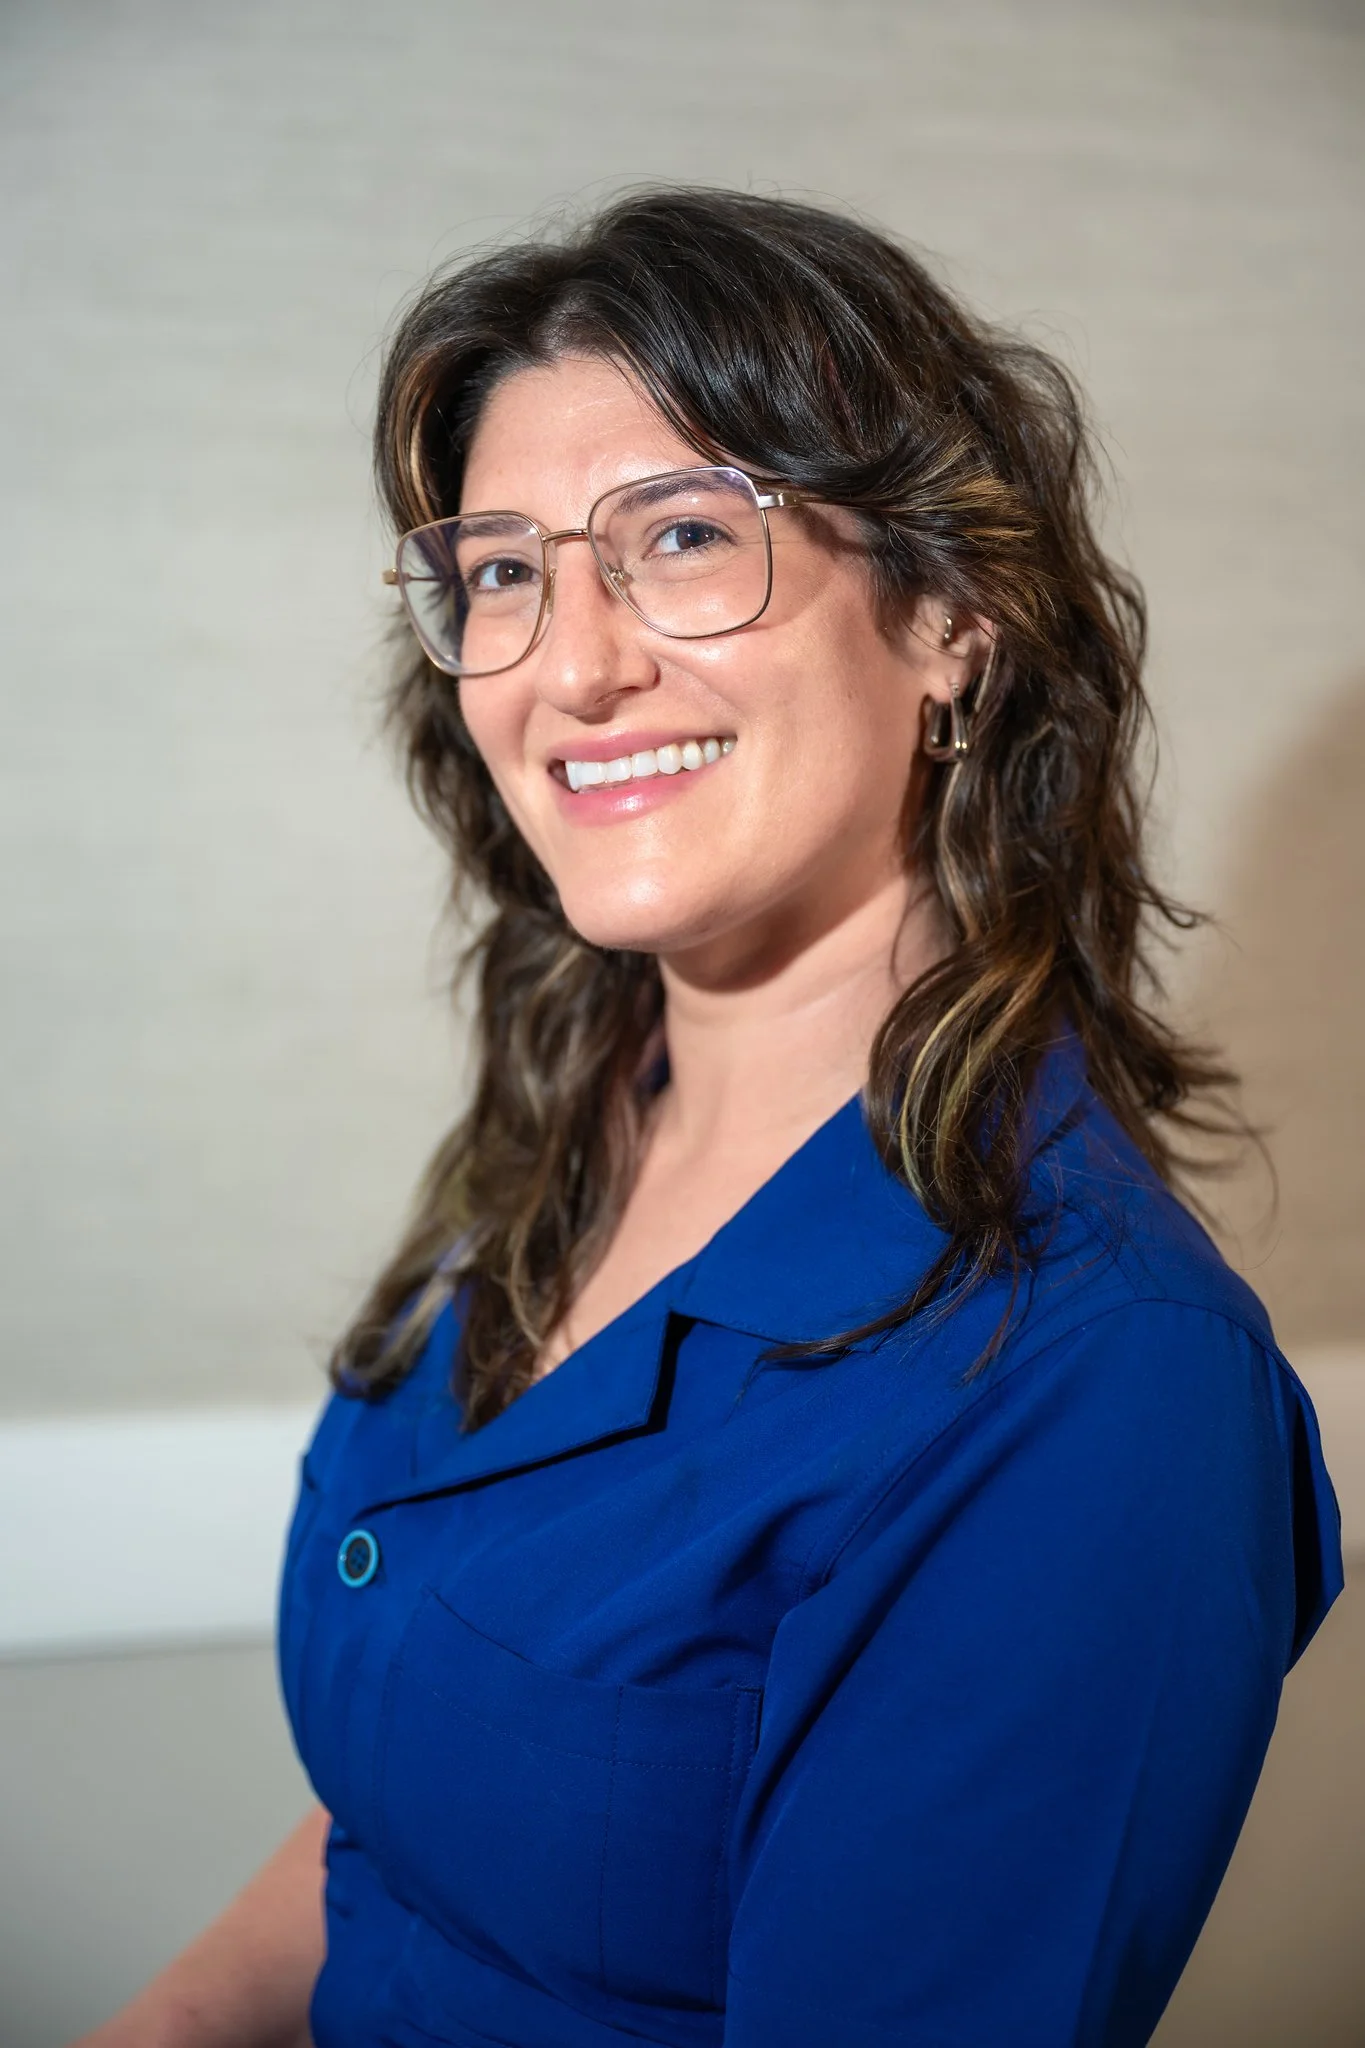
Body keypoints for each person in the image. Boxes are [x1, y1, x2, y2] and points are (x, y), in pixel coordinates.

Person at [79, 188, 1342, 2048]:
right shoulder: (565, 1130)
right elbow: (412, 1804)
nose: (570, 666)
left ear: (953, 622)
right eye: (503, 569)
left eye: (680, 537)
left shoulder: (1093, 1385)